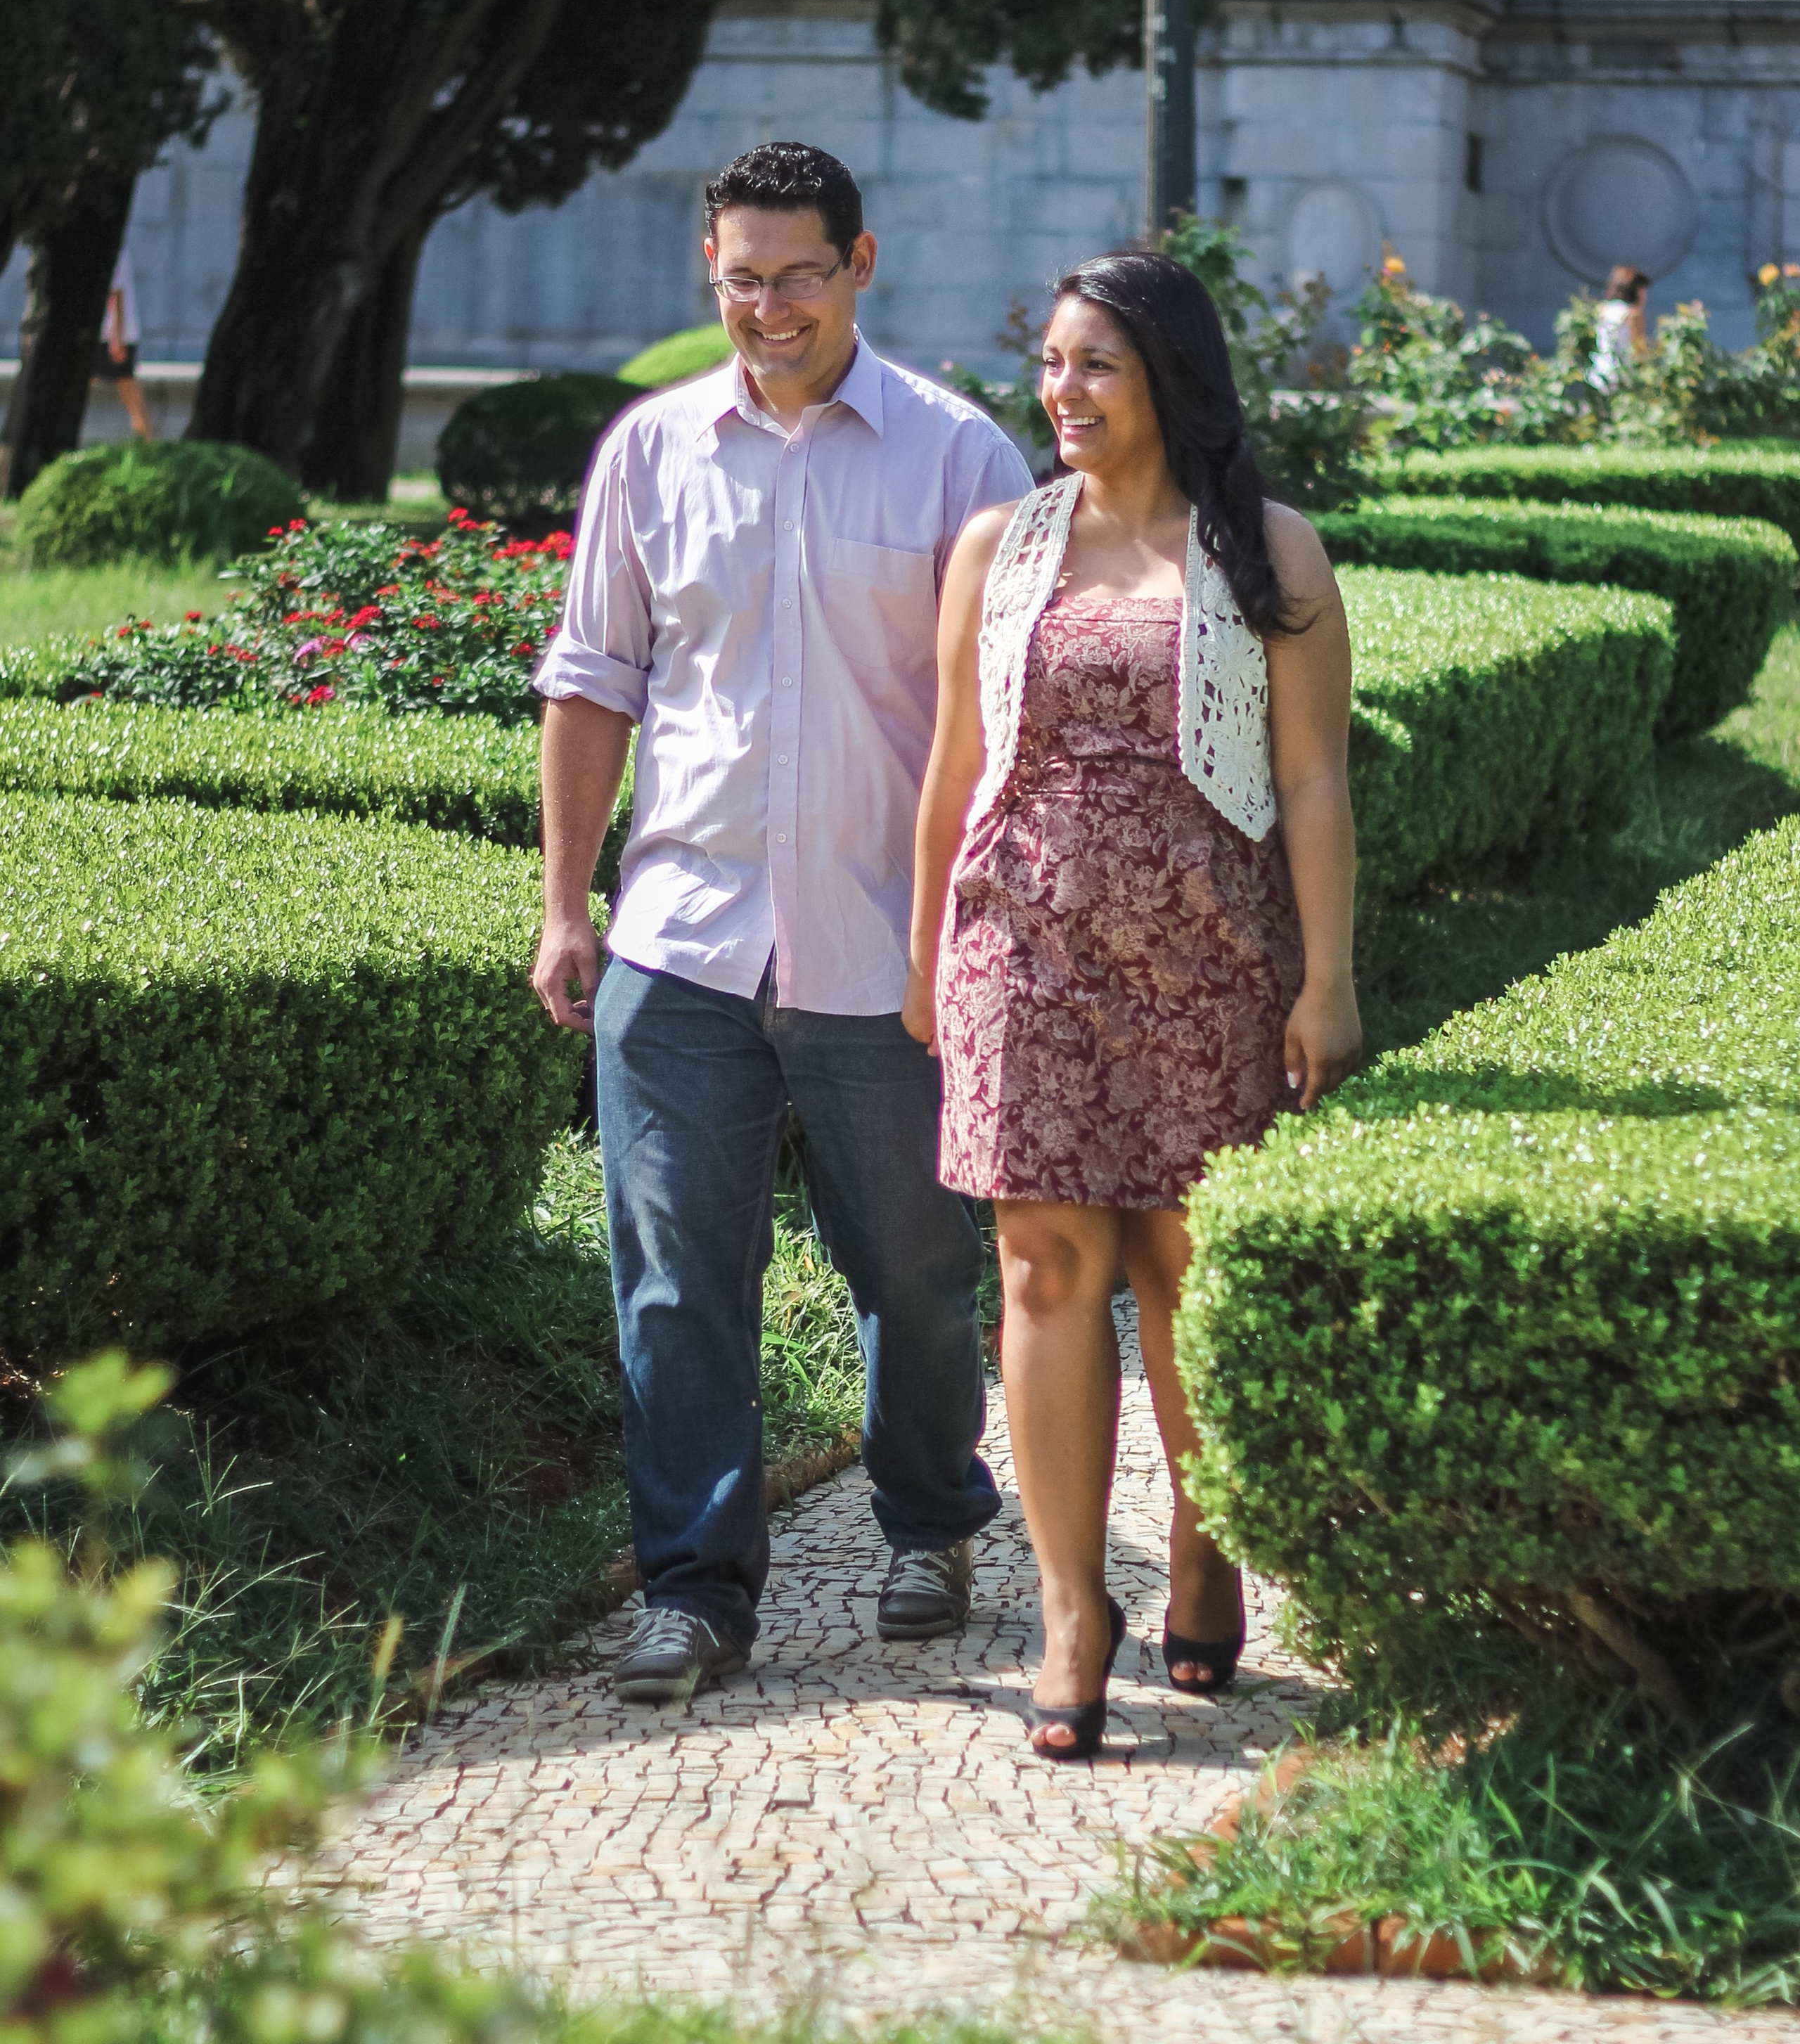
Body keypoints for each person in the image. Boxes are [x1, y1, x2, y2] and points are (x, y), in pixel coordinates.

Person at [530, 141, 1033, 1706]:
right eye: (741, 277)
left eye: (798, 274)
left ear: (860, 268)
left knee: (915, 1269)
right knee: (676, 1283)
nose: (768, 306)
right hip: (680, 941)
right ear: (712, 274)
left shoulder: (958, 459)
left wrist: (991, 935)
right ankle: (691, 1588)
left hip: (884, 950)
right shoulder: (652, 450)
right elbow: (592, 680)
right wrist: (565, 907)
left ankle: (932, 1517)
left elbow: (1018, 711)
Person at [904, 250, 1361, 1762]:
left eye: (1093, 363)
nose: (1062, 392)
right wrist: (923, 954)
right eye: (1047, 364)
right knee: (1041, 1266)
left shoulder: (1267, 553)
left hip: (1208, 957)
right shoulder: (999, 545)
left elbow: (1307, 775)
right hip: (1020, 941)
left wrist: (1326, 974)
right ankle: (1067, 1607)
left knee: (1177, 1269)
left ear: (1166, 372)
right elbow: (956, 766)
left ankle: (1204, 1546)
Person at [91, 243, 154, 440]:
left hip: (111, 335)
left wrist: (116, 339)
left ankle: (146, 441)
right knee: (129, 392)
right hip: (115, 334)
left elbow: (116, 293)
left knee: (129, 392)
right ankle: (146, 441)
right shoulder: (116, 249)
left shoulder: (110, 250)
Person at [1590, 265, 1650, 391]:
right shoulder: (1633, 315)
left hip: (1598, 375)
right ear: (1638, 291)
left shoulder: (1602, 309)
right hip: (1621, 378)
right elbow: (1639, 352)